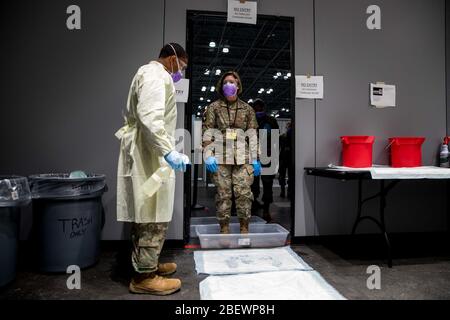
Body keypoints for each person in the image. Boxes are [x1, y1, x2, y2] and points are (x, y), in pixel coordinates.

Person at [115, 43, 189, 295]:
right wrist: (167, 151)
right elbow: (149, 116)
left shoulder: (147, 73)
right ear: (171, 59)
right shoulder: (157, 76)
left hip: (148, 151)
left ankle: (147, 264)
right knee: (152, 213)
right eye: (182, 66)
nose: (181, 73)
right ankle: (144, 277)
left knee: (148, 211)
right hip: (150, 155)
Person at [202, 71, 261, 234]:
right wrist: (208, 155)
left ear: (238, 85)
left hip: (243, 157)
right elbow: (207, 132)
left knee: (243, 194)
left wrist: (256, 158)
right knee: (223, 195)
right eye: (226, 82)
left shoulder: (247, 109)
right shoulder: (214, 107)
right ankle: (224, 228)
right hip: (220, 156)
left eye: (232, 82)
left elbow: (253, 134)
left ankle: (244, 228)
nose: (229, 84)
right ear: (221, 86)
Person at [250, 98, 279, 222]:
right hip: (258, 155)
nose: (258, 109)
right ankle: (259, 206)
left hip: (264, 155)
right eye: (256, 107)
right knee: (256, 183)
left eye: (258, 107)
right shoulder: (252, 120)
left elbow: (276, 140)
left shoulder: (270, 121)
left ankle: (263, 209)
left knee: (263, 183)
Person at [279, 121, 293, 199]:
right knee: (289, 176)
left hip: (283, 158)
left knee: (282, 175)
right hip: (289, 158)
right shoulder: (293, 136)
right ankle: (288, 192)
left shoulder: (282, 136)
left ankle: (283, 191)